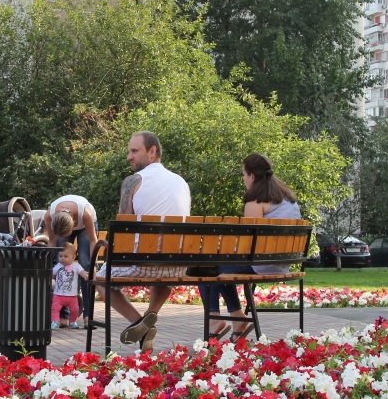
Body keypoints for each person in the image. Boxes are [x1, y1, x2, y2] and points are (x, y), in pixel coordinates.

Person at [98, 131, 191, 352]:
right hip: (175, 267)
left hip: (143, 263)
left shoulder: (133, 181)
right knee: (162, 272)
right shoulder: (181, 182)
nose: (129, 156)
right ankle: (151, 314)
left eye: (134, 151)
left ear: (152, 151)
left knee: (100, 279)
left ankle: (139, 322)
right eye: (129, 151)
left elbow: (123, 230)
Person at [199, 153, 302, 343]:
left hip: (262, 264)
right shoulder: (288, 200)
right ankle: (237, 318)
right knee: (219, 269)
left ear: (252, 176)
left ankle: (216, 320)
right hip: (283, 263)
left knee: (204, 269)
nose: (243, 179)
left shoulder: (256, 202)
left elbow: (247, 245)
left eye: (243, 175)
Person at [44, 195, 98, 327]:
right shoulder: (49, 216)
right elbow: (52, 241)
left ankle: (88, 315)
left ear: (73, 224)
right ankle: (63, 316)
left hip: (85, 226)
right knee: (61, 263)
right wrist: (46, 265)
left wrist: (93, 265)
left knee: (85, 265)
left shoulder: (85, 214)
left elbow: (93, 241)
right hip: (63, 223)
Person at [51, 242, 89, 330]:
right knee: (55, 308)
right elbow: (52, 274)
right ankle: (55, 321)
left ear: (73, 257)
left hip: (72, 296)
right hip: (58, 295)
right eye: (60, 256)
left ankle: (73, 322)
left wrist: (85, 275)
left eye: (65, 256)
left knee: (75, 309)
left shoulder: (76, 266)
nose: (62, 259)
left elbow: (82, 272)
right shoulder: (58, 266)